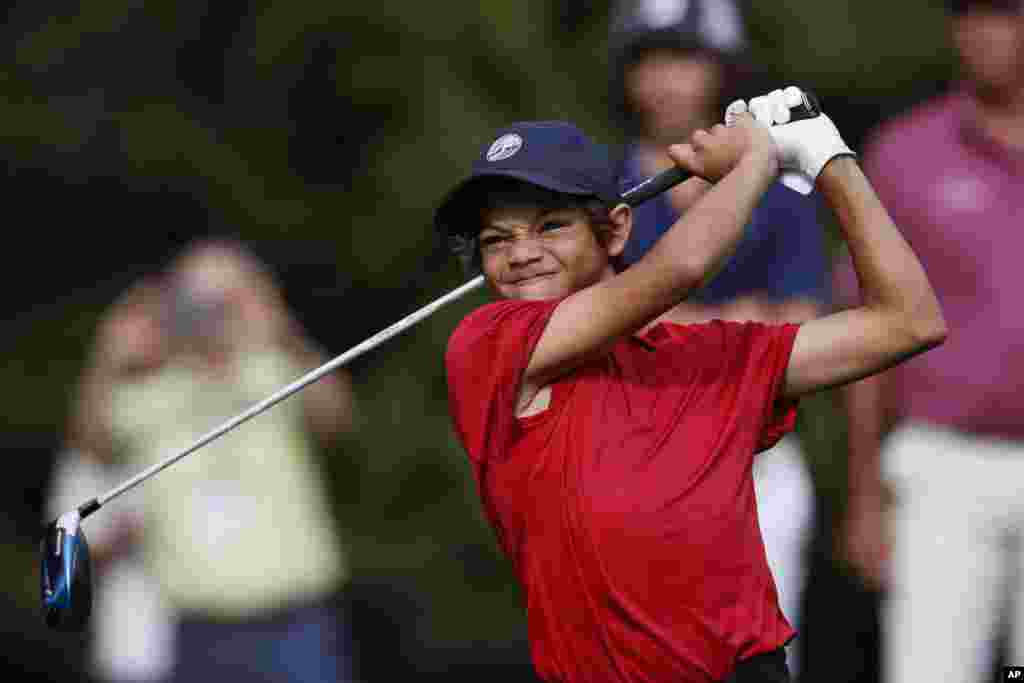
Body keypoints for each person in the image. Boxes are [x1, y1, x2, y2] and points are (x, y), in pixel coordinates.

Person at [435, 88, 946, 683]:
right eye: (497, 239)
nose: (522, 253)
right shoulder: (489, 346)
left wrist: (827, 158)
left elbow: (911, 320)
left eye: (551, 226)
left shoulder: (710, 357)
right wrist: (756, 160)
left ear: (615, 230)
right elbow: (675, 272)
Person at [608, 1, 825, 669]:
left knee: (760, 664)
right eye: (650, 59)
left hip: (757, 467)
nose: (667, 79)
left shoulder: (777, 186)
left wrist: (652, 319)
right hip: (626, 464)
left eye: (686, 58)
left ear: (720, 70)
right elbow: (584, 324)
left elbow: (804, 336)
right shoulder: (592, 191)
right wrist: (741, 322)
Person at [835, 1, 1024, 681]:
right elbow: (865, 330)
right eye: (968, 13)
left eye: (1003, 13)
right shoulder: (904, 153)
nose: (983, 31)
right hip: (943, 466)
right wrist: (863, 491)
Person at [85, 239, 357, 683]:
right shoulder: (147, 392)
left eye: (226, 296)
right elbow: (92, 446)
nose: (211, 313)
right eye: (197, 298)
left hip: (298, 623)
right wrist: (108, 357)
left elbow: (338, 422)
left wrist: (283, 328)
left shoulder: (277, 368)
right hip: (197, 630)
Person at [46, 278, 177, 683]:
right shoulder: (91, 435)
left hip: (225, 639)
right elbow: (62, 563)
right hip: (134, 648)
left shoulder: (197, 405)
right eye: (139, 322)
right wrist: (122, 539)